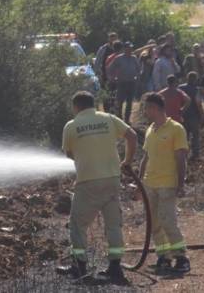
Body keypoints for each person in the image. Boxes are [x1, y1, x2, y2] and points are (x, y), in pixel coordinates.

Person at [57, 91, 138, 284]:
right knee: (113, 224)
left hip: (88, 181)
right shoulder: (109, 119)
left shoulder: (72, 125)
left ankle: (80, 266)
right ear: (93, 104)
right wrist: (127, 161)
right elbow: (132, 136)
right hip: (112, 179)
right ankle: (115, 268)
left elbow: (69, 154)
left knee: (78, 224)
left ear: (76, 106)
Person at [140, 92, 191, 274]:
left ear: (155, 108)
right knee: (154, 223)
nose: (145, 111)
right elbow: (145, 158)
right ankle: (164, 256)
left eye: (146, 107)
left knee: (168, 221)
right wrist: (139, 182)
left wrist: (181, 183)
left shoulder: (176, 129)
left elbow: (181, 158)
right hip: (149, 183)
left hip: (167, 183)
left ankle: (181, 257)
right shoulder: (150, 130)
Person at [107, 42, 140, 124]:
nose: (130, 50)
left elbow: (138, 69)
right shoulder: (119, 58)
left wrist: (137, 77)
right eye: (128, 48)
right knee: (120, 101)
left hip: (131, 82)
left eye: (131, 48)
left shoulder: (134, 58)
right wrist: (112, 78)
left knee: (129, 102)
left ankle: (127, 119)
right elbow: (110, 68)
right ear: (125, 49)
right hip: (122, 82)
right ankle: (119, 119)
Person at [179, 72, 204, 160]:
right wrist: (202, 114)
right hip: (194, 115)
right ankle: (195, 154)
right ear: (196, 79)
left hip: (183, 115)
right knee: (195, 135)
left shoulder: (180, 88)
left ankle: (183, 154)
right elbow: (198, 103)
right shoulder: (197, 89)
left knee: (184, 136)